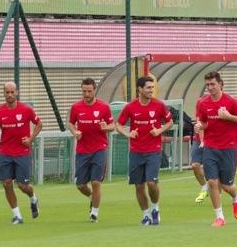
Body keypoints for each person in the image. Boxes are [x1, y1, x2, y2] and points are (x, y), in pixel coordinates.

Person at [0, 82, 42, 224]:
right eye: (7, 92)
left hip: (22, 153)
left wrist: (31, 139)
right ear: (4, 93)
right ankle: (17, 216)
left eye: (12, 92)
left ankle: (33, 198)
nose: (10, 95)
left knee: (22, 186)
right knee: (7, 184)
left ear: (17, 92)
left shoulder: (26, 110)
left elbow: (39, 124)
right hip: (5, 153)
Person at [194, 71, 237, 227]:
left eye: (213, 84)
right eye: (207, 85)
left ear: (220, 84)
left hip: (229, 148)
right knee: (212, 182)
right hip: (210, 147)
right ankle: (220, 217)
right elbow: (205, 123)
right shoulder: (203, 103)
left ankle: (236, 198)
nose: (210, 88)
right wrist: (199, 126)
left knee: (226, 185)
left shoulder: (231, 102)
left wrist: (229, 117)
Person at [115, 76, 173, 226]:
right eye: (148, 88)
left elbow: (170, 122)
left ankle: (155, 208)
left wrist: (159, 130)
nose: (151, 90)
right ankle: (146, 214)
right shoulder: (130, 107)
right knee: (139, 185)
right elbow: (119, 124)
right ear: (139, 89)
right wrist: (128, 134)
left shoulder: (159, 105)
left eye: (152, 88)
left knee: (151, 183)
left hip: (153, 150)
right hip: (136, 151)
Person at [68, 78, 115, 222]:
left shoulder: (104, 107)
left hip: (99, 149)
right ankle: (92, 198)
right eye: (84, 91)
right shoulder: (76, 107)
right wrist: (75, 132)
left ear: (94, 90)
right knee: (80, 185)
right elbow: (70, 123)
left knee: (95, 182)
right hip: (82, 150)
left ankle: (94, 213)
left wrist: (105, 128)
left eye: (89, 91)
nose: (86, 94)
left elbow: (112, 125)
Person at [191, 97, 209, 204]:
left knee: (214, 169)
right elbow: (199, 123)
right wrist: (202, 141)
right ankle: (204, 187)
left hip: (214, 139)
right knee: (194, 165)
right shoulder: (200, 102)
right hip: (199, 140)